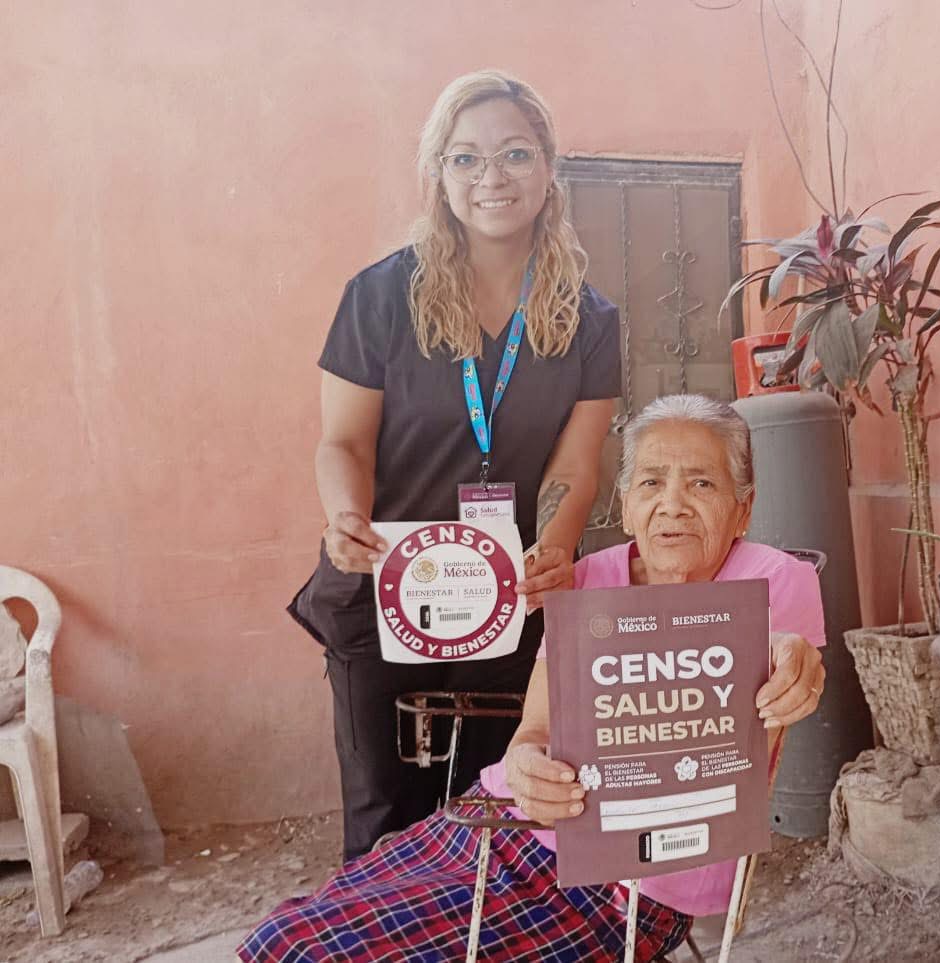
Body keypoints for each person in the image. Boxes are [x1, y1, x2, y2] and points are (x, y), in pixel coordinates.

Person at [242, 395, 827, 962]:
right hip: (503, 821)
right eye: (651, 482)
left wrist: (788, 662)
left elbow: (773, 678)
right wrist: (524, 765)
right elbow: (535, 730)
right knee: (286, 935)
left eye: (701, 483)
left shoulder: (773, 582)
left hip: (623, 887)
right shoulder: (589, 580)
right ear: (626, 507)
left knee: (316, 953)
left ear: (743, 509)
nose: (672, 504)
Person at [288, 70, 620, 862]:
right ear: (439, 174)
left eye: (515, 153)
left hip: (512, 604)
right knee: (383, 824)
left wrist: (556, 546)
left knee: (501, 816)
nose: (491, 176)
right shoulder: (379, 297)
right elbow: (344, 443)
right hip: (384, 596)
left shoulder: (590, 319)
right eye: (466, 157)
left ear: (548, 168)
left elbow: (577, 465)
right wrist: (345, 517)